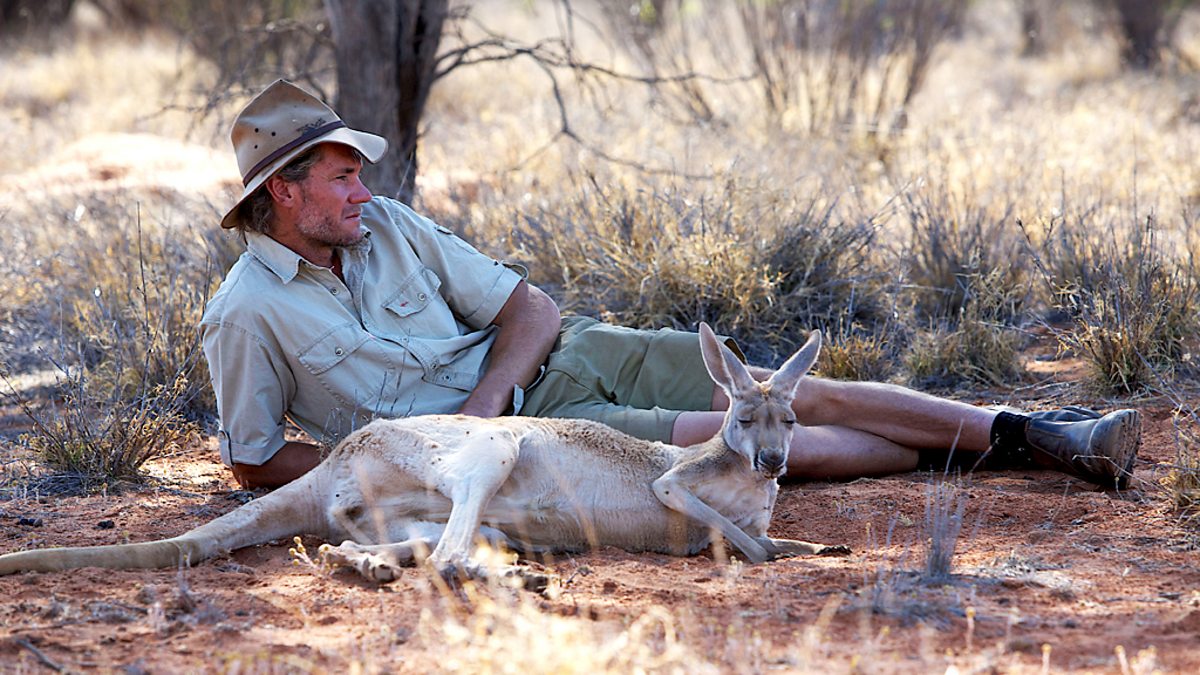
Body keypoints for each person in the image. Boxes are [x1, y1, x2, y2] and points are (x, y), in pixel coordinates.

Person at [201, 80, 1141, 491]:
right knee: (766, 445)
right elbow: (252, 460)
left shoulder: (389, 224)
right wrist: (401, 463)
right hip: (531, 444)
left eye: (357, 173)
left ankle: (1042, 435)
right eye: (340, 178)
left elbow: (531, 307)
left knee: (787, 391)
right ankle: (991, 455)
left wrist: (487, 393)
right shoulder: (246, 314)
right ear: (284, 192)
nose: (363, 188)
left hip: (560, 365)